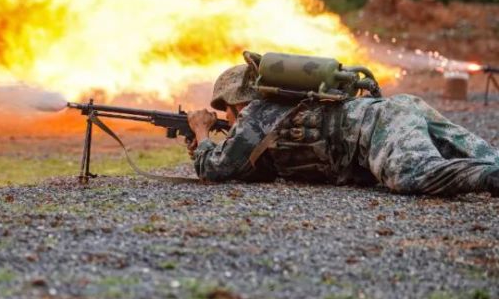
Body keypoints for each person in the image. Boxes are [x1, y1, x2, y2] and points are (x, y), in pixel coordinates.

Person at [185, 56, 499, 196]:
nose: (228, 119)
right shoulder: (280, 109)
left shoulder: (256, 113)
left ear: (236, 102)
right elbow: (258, 168)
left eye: (226, 110)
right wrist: (202, 146)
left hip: (378, 125)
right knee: (479, 151)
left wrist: (201, 130)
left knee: (414, 174)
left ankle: (488, 178)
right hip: (399, 109)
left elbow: (216, 169)